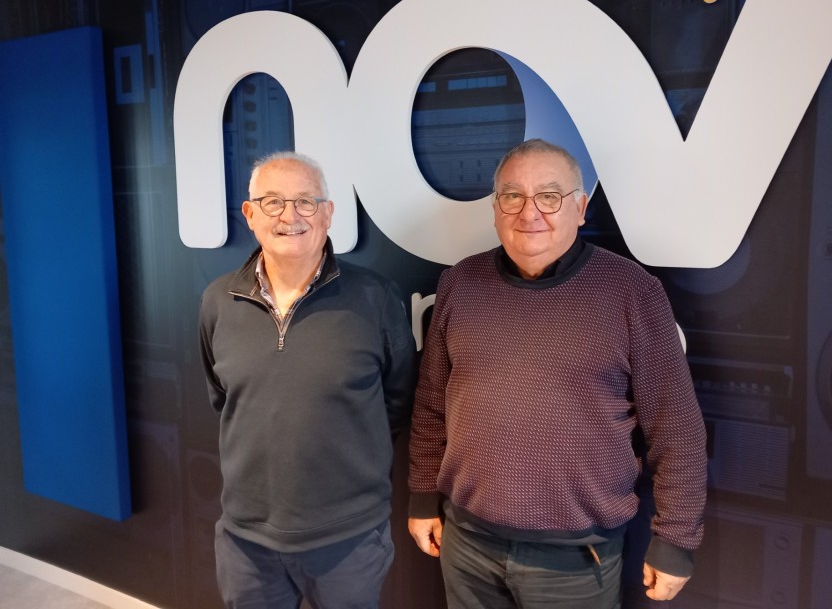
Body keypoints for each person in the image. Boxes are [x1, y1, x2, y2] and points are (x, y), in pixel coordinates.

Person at [407, 139, 707, 608]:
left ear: (580, 208)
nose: (530, 212)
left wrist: (676, 538)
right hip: (466, 543)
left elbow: (677, 429)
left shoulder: (632, 292)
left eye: (549, 196)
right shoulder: (459, 283)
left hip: (576, 561)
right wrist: (424, 495)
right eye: (513, 196)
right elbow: (430, 406)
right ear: (495, 208)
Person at [199, 151, 417, 608]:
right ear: (250, 214)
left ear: (328, 213)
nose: (290, 216)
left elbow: (397, 401)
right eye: (273, 202)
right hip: (246, 541)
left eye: (305, 201)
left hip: (349, 539)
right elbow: (224, 400)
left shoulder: (375, 297)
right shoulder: (218, 300)